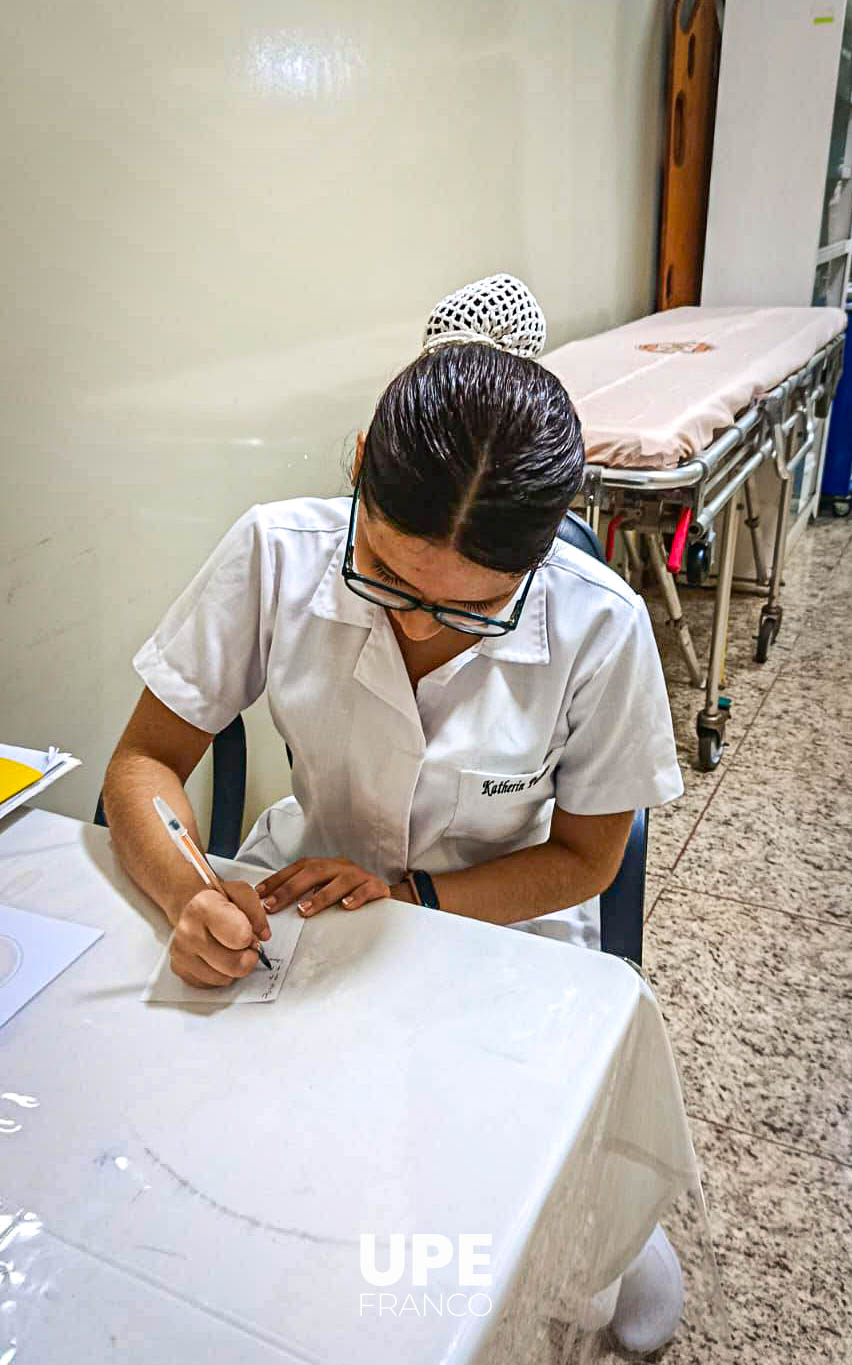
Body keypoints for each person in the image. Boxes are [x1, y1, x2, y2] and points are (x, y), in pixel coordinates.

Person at [104, 274, 686, 1353]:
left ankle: (597, 1209)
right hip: (303, 895)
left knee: (499, 1217)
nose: (419, 624)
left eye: (469, 606)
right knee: (219, 1179)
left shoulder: (599, 627)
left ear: (549, 541)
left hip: (500, 922)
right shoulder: (275, 551)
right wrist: (192, 893)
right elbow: (145, 759)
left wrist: (419, 894)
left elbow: (585, 858)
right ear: (363, 462)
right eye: (384, 576)